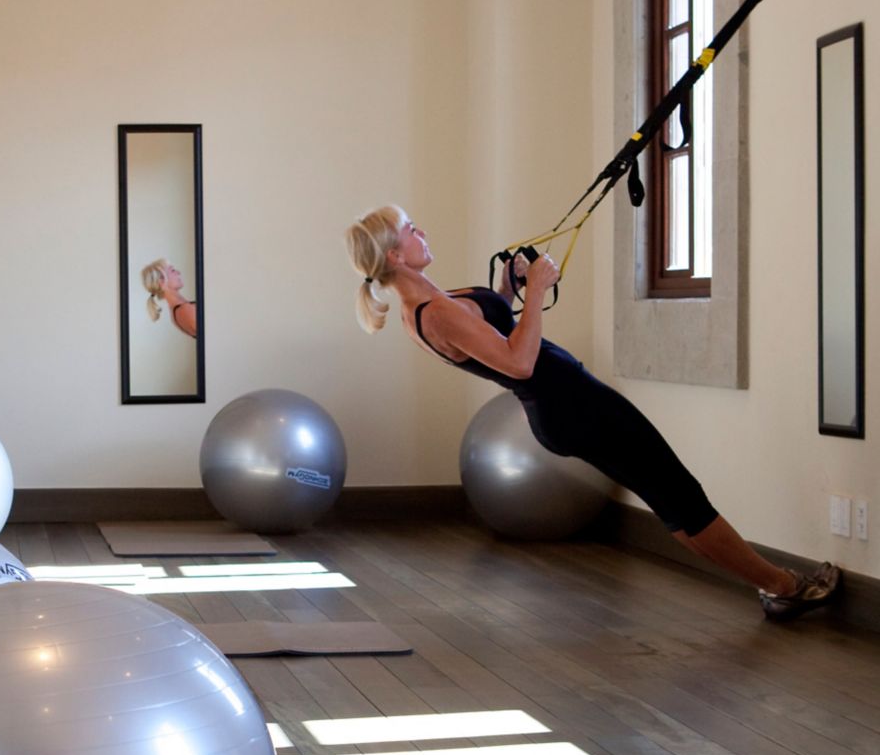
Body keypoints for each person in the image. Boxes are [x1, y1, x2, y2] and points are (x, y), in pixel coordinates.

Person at [345, 204, 841, 622]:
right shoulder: (435, 313)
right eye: (412, 230)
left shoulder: (429, 303)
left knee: (671, 493)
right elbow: (517, 362)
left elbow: (488, 332)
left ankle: (775, 585)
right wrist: (537, 290)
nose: (422, 232)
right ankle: (782, 587)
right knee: (678, 494)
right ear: (394, 255)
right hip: (573, 409)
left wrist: (506, 288)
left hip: (573, 405)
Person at [141, 259, 197, 339]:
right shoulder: (183, 310)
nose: (178, 272)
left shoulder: (181, 309)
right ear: (162, 280)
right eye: (173, 270)